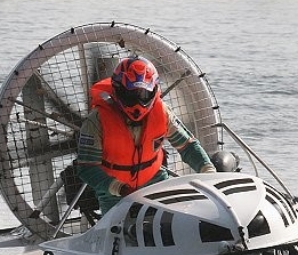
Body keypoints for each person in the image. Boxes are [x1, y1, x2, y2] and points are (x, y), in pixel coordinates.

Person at [77, 56, 216, 215]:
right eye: (131, 96)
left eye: (143, 96)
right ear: (117, 90)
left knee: (171, 220)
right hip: (113, 190)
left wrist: (208, 171)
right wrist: (118, 188)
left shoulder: (163, 112)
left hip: (154, 180)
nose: (137, 105)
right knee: (116, 232)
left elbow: (187, 146)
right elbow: (87, 167)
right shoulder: (97, 120)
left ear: (154, 91)